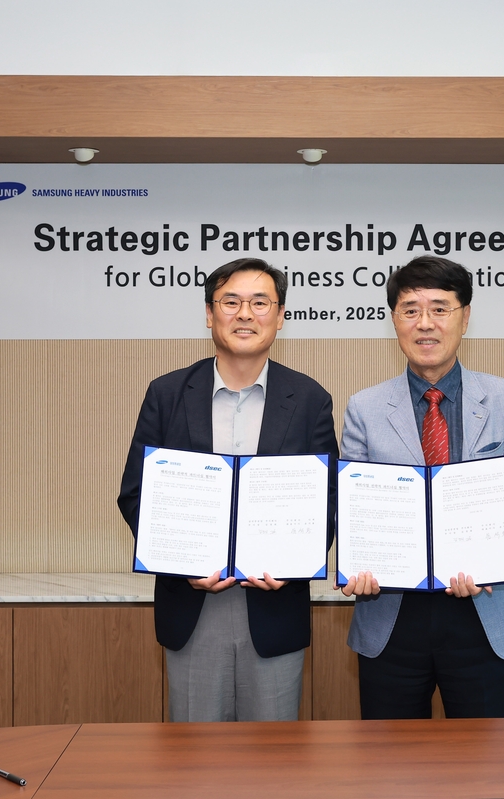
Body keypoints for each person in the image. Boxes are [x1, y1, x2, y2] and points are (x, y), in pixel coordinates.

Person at [117, 257, 337, 722]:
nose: (245, 314)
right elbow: (136, 492)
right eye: (231, 302)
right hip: (192, 604)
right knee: (194, 756)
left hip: (275, 606)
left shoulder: (310, 399)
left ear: (280, 316)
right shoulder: (167, 394)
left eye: (260, 303)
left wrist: (295, 562)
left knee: (274, 755)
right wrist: (181, 561)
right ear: (209, 313)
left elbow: (328, 500)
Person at [339, 254, 504, 719]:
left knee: (487, 758)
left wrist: (488, 559)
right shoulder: (364, 408)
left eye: (439, 309)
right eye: (410, 310)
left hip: (483, 608)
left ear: (465, 317)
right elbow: (352, 509)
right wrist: (359, 559)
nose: (425, 323)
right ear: (394, 320)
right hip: (391, 614)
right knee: (389, 758)